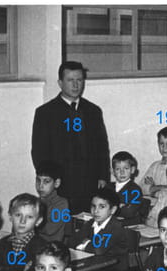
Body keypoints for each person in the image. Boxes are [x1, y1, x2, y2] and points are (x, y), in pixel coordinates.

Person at [31, 61, 109, 212]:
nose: (75, 85)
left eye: (79, 80)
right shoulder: (45, 113)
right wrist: (49, 181)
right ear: (60, 83)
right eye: (70, 80)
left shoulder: (93, 111)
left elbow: (102, 147)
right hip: (61, 185)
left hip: (89, 184)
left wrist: (102, 176)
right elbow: (39, 151)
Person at [68, 188, 129, 271]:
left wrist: (85, 243)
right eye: (93, 206)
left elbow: (98, 249)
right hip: (94, 267)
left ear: (113, 210)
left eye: (102, 207)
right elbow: (72, 241)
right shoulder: (91, 223)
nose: (96, 211)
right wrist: (89, 244)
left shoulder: (116, 227)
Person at [141, 127, 167, 196]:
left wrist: (153, 187)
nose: (164, 147)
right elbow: (141, 188)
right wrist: (161, 187)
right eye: (161, 143)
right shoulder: (154, 166)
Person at [35, 161, 70, 242]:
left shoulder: (62, 203)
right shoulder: (35, 201)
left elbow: (49, 229)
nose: (40, 186)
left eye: (46, 181)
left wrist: (29, 224)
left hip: (50, 246)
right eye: (38, 180)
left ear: (57, 183)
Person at [110, 151, 144, 225]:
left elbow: (129, 212)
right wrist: (119, 206)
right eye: (118, 169)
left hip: (128, 225)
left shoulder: (135, 190)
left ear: (132, 170)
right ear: (112, 171)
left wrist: (111, 208)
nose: (122, 172)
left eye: (126, 168)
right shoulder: (108, 187)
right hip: (111, 223)